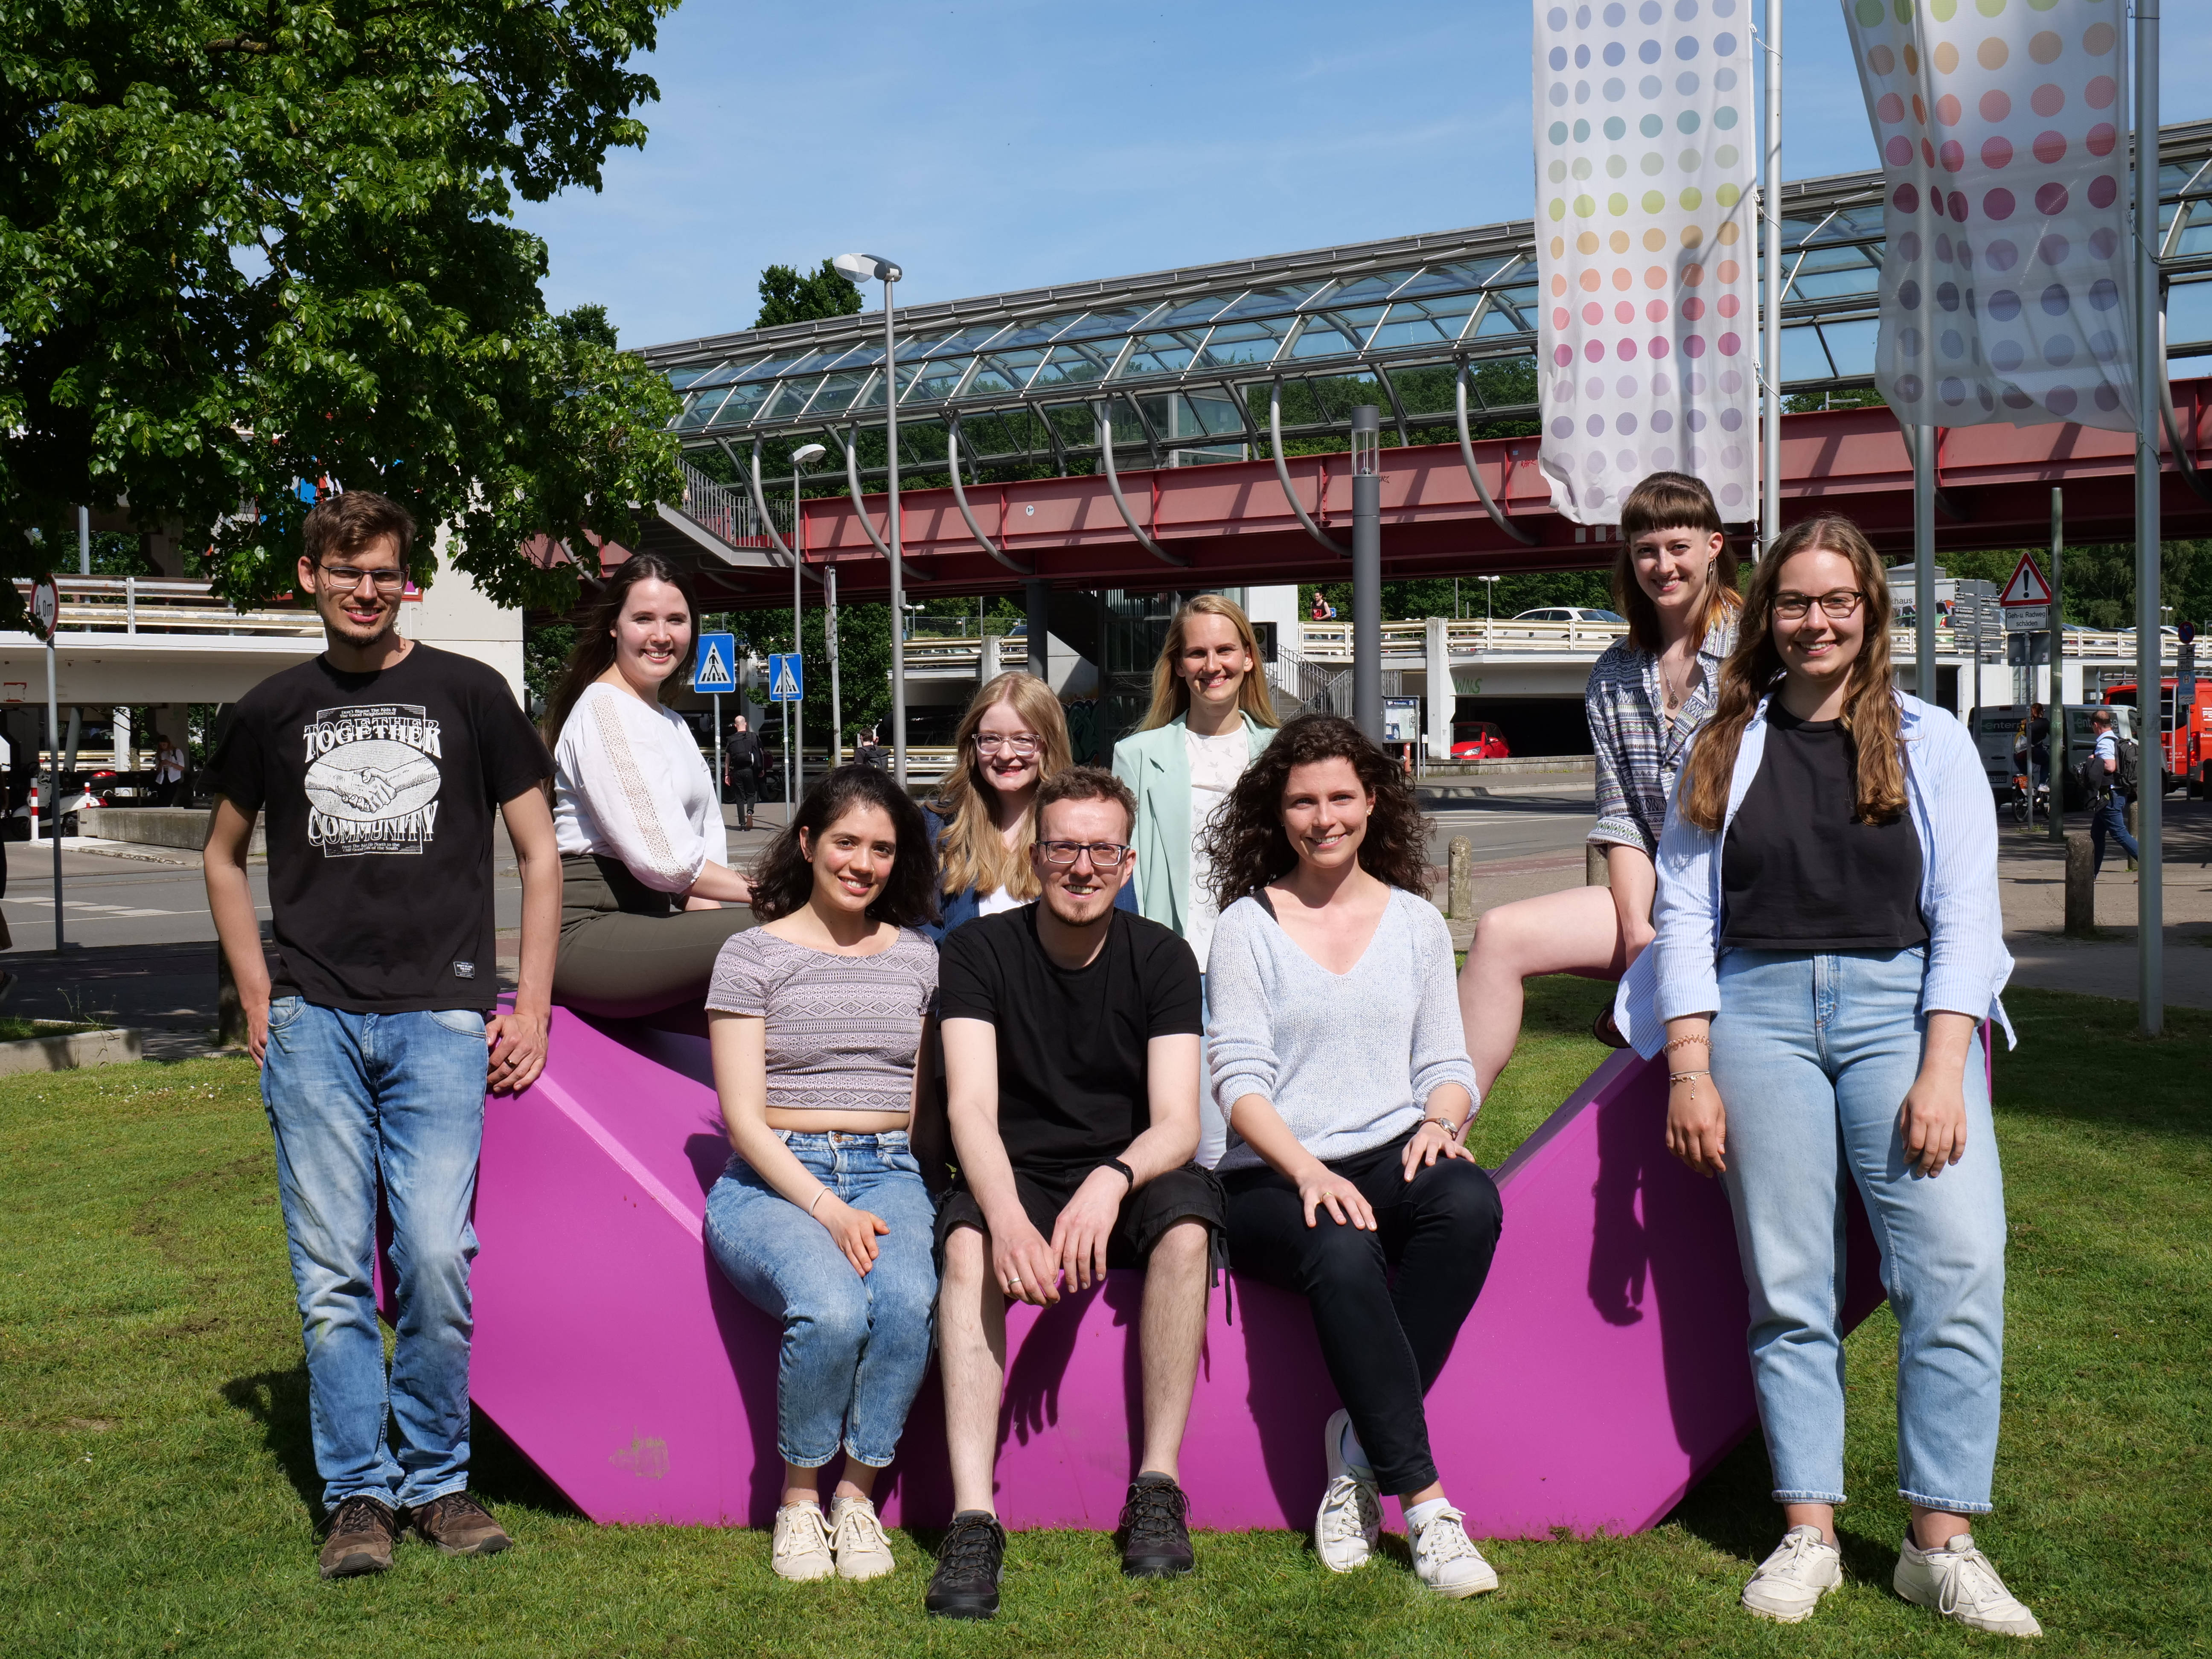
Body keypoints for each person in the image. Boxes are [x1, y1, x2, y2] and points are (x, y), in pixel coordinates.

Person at [1628, 515, 2039, 1637]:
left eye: (1837, 603)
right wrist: (1691, 1067)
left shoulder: (1927, 740)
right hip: (1757, 1017)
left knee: (1955, 1267)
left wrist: (1944, 1067)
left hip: (1898, 1009)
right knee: (1789, 1282)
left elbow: (1966, 918)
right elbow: (1683, 913)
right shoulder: (1724, 741)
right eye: (1797, 604)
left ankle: (1938, 1544)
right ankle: (1808, 1528)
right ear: (1768, 617)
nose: (1817, 623)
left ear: (1871, 613)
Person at [203, 489, 562, 1579]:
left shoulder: (470, 691)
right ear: (308, 575)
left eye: (385, 571)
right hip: (314, 1021)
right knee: (331, 1275)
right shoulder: (269, 710)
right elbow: (223, 856)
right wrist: (258, 992)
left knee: (436, 1257)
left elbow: (540, 856)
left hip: (441, 1017)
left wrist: (529, 1001)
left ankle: (441, 1481)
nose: (366, 588)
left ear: (406, 579)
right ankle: (357, 1493)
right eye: (345, 569)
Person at [1202, 714, 1505, 1598]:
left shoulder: (1413, 921)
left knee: (1470, 1202)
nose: (1324, 817)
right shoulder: (1246, 926)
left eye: (1341, 797)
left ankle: (1357, 1444)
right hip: (1271, 1172)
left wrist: (1442, 1122)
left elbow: (1446, 1063)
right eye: (1303, 801)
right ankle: (1428, 1509)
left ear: (1373, 801)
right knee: (1340, 1246)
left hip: (1390, 1148)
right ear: (1278, 811)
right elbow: (1239, 1081)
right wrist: (1306, 1170)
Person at [926, 766, 1220, 1618]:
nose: (1081, 867)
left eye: (1100, 850)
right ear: (1037, 857)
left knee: (1188, 1231)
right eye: (1063, 848)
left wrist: (1112, 1178)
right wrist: (1011, 1216)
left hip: (1124, 1172)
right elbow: (970, 1107)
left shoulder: (1163, 957)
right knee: (968, 1243)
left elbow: (1176, 1125)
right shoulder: (976, 953)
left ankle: (1157, 1487)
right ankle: (974, 1517)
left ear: (1127, 864)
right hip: (1012, 1171)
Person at [701, 764, 943, 1583]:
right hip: (775, 1178)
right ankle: (799, 1500)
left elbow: (913, 1106)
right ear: (807, 843)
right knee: (834, 1307)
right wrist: (827, 1208)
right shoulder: (749, 953)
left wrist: (889, 1194)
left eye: (881, 848)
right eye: (845, 842)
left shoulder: (917, 959)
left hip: (886, 1171)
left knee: (908, 1300)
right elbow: (741, 1115)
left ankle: (857, 1494)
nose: (862, 863)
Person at [1458, 471, 1740, 1091]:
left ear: (1714, 546)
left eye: (1678, 547)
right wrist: (1639, 929)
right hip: (1658, 896)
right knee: (1499, 934)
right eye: (1645, 550)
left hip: (1745, 902)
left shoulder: (1757, 654)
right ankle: (1444, 1131)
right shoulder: (1613, 671)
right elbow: (1624, 819)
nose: (1662, 565)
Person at [544, 553, 756, 1019]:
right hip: (590, 928)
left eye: (676, 620)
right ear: (614, 627)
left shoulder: (672, 723)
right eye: (644, 619)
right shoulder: (605, 712)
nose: (662, 636)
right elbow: (666, 860)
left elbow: (699, 863)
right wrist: (773, 893)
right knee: (789, 929)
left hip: (649, 919)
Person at [1111, 594, 1279, 1163]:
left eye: (1225, 650)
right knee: (1203, 1143)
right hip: (1183, 971)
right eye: (1198, 653)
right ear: (1179, 665)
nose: (1214, 665)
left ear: (1250, 659)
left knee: (1269, 1137)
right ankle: (1210, 1251)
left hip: (1267, 969)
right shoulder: (1137, 755)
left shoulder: (1280, 754)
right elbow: (1123, 874)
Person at [923, 671, 1134, 942]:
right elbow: (920, 934)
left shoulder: (1093, 824)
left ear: (1048, 744)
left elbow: (1121, 929)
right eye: (990, 738)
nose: (1005, 754)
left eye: (1023, 740)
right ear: (972, 745)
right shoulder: (938, 827)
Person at [2082, 707, 2139, 875]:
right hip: (2116, 794)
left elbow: (2110, 766)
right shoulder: (2115, 739)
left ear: (2095, 725)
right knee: (2097, 834)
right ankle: (2091, 874)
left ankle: (2150, 866)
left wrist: (2093, 761)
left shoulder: (2104, 742)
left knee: (2120, 833)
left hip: (2110, 795)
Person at [725, 713, 764, 832]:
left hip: (737, 771)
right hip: (750, 770)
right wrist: (761, 768)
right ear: (746, 724)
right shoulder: (753, 737)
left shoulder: (731, 740)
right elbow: (760, 753)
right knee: (751, 794)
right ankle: (750, 813)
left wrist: (727, 774)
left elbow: (728, 759)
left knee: (740, 798)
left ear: (736, 726)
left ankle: (742, 825)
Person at [153, 734, 186, 806]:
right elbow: (157, 771)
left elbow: (181, 767)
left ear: (168, 743)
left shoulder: (176, 752)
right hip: (162, 777)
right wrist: (161, 765)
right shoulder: (159, 754)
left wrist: (170, 764)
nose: (163, 747)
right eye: (161, 745)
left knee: (169, 797)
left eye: (164, 745)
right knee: (161, 798)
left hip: (173, 778)